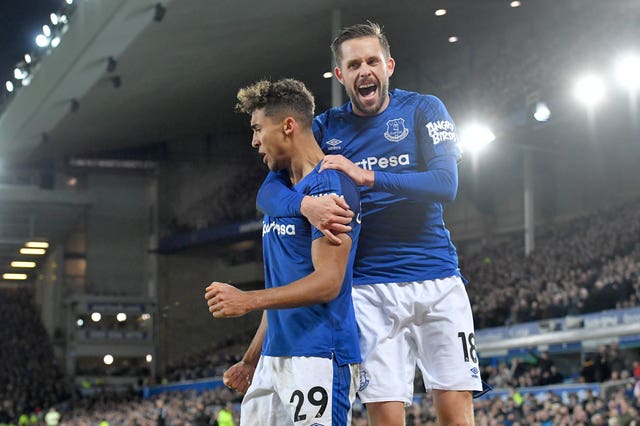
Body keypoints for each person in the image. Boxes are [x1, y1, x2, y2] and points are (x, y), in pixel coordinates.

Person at [256, 22, 487, 425]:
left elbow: (445, 184)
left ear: (389, 65)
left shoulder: (424, 109)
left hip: (438, 279)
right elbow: (267, 193)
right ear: (341, 75)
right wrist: (305, 206)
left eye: (372, 61)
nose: (365, 70)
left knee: (456, 411)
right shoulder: (327, 127)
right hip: (367, 289)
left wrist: (368, 176)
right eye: (354, 63)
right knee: (385, 414)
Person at [204, 78, 362, 425]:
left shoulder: (332, 188)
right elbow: (283, 287)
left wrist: (247, 300)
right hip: (274, 357)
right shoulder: (281, 187)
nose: (254, 140)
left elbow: (329, 282)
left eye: (258, 128)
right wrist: (251, 359)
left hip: (319, 354)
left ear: (288, 125)